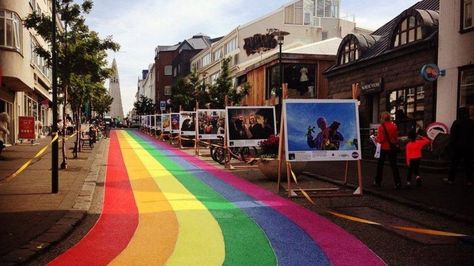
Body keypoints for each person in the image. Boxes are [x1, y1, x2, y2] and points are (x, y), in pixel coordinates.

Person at [444, 107, 474, 185]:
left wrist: (451, 145)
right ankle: (469, 181)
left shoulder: (457, 122)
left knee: (454, 164)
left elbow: (453, 136)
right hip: (469, 147)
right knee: (469, 164)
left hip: (458, 147)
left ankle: (451, 179)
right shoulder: (471, 123)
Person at [374, 111, 401, 189]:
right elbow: (396, 138)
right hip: (392, 148)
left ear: (382, 118)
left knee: (380, 166)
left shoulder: (381, 127)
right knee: (394, 166)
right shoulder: (394, 126)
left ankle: (378, 181)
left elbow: (381, 139)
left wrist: (376, 139)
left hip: (383, 148)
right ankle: (398, 182)